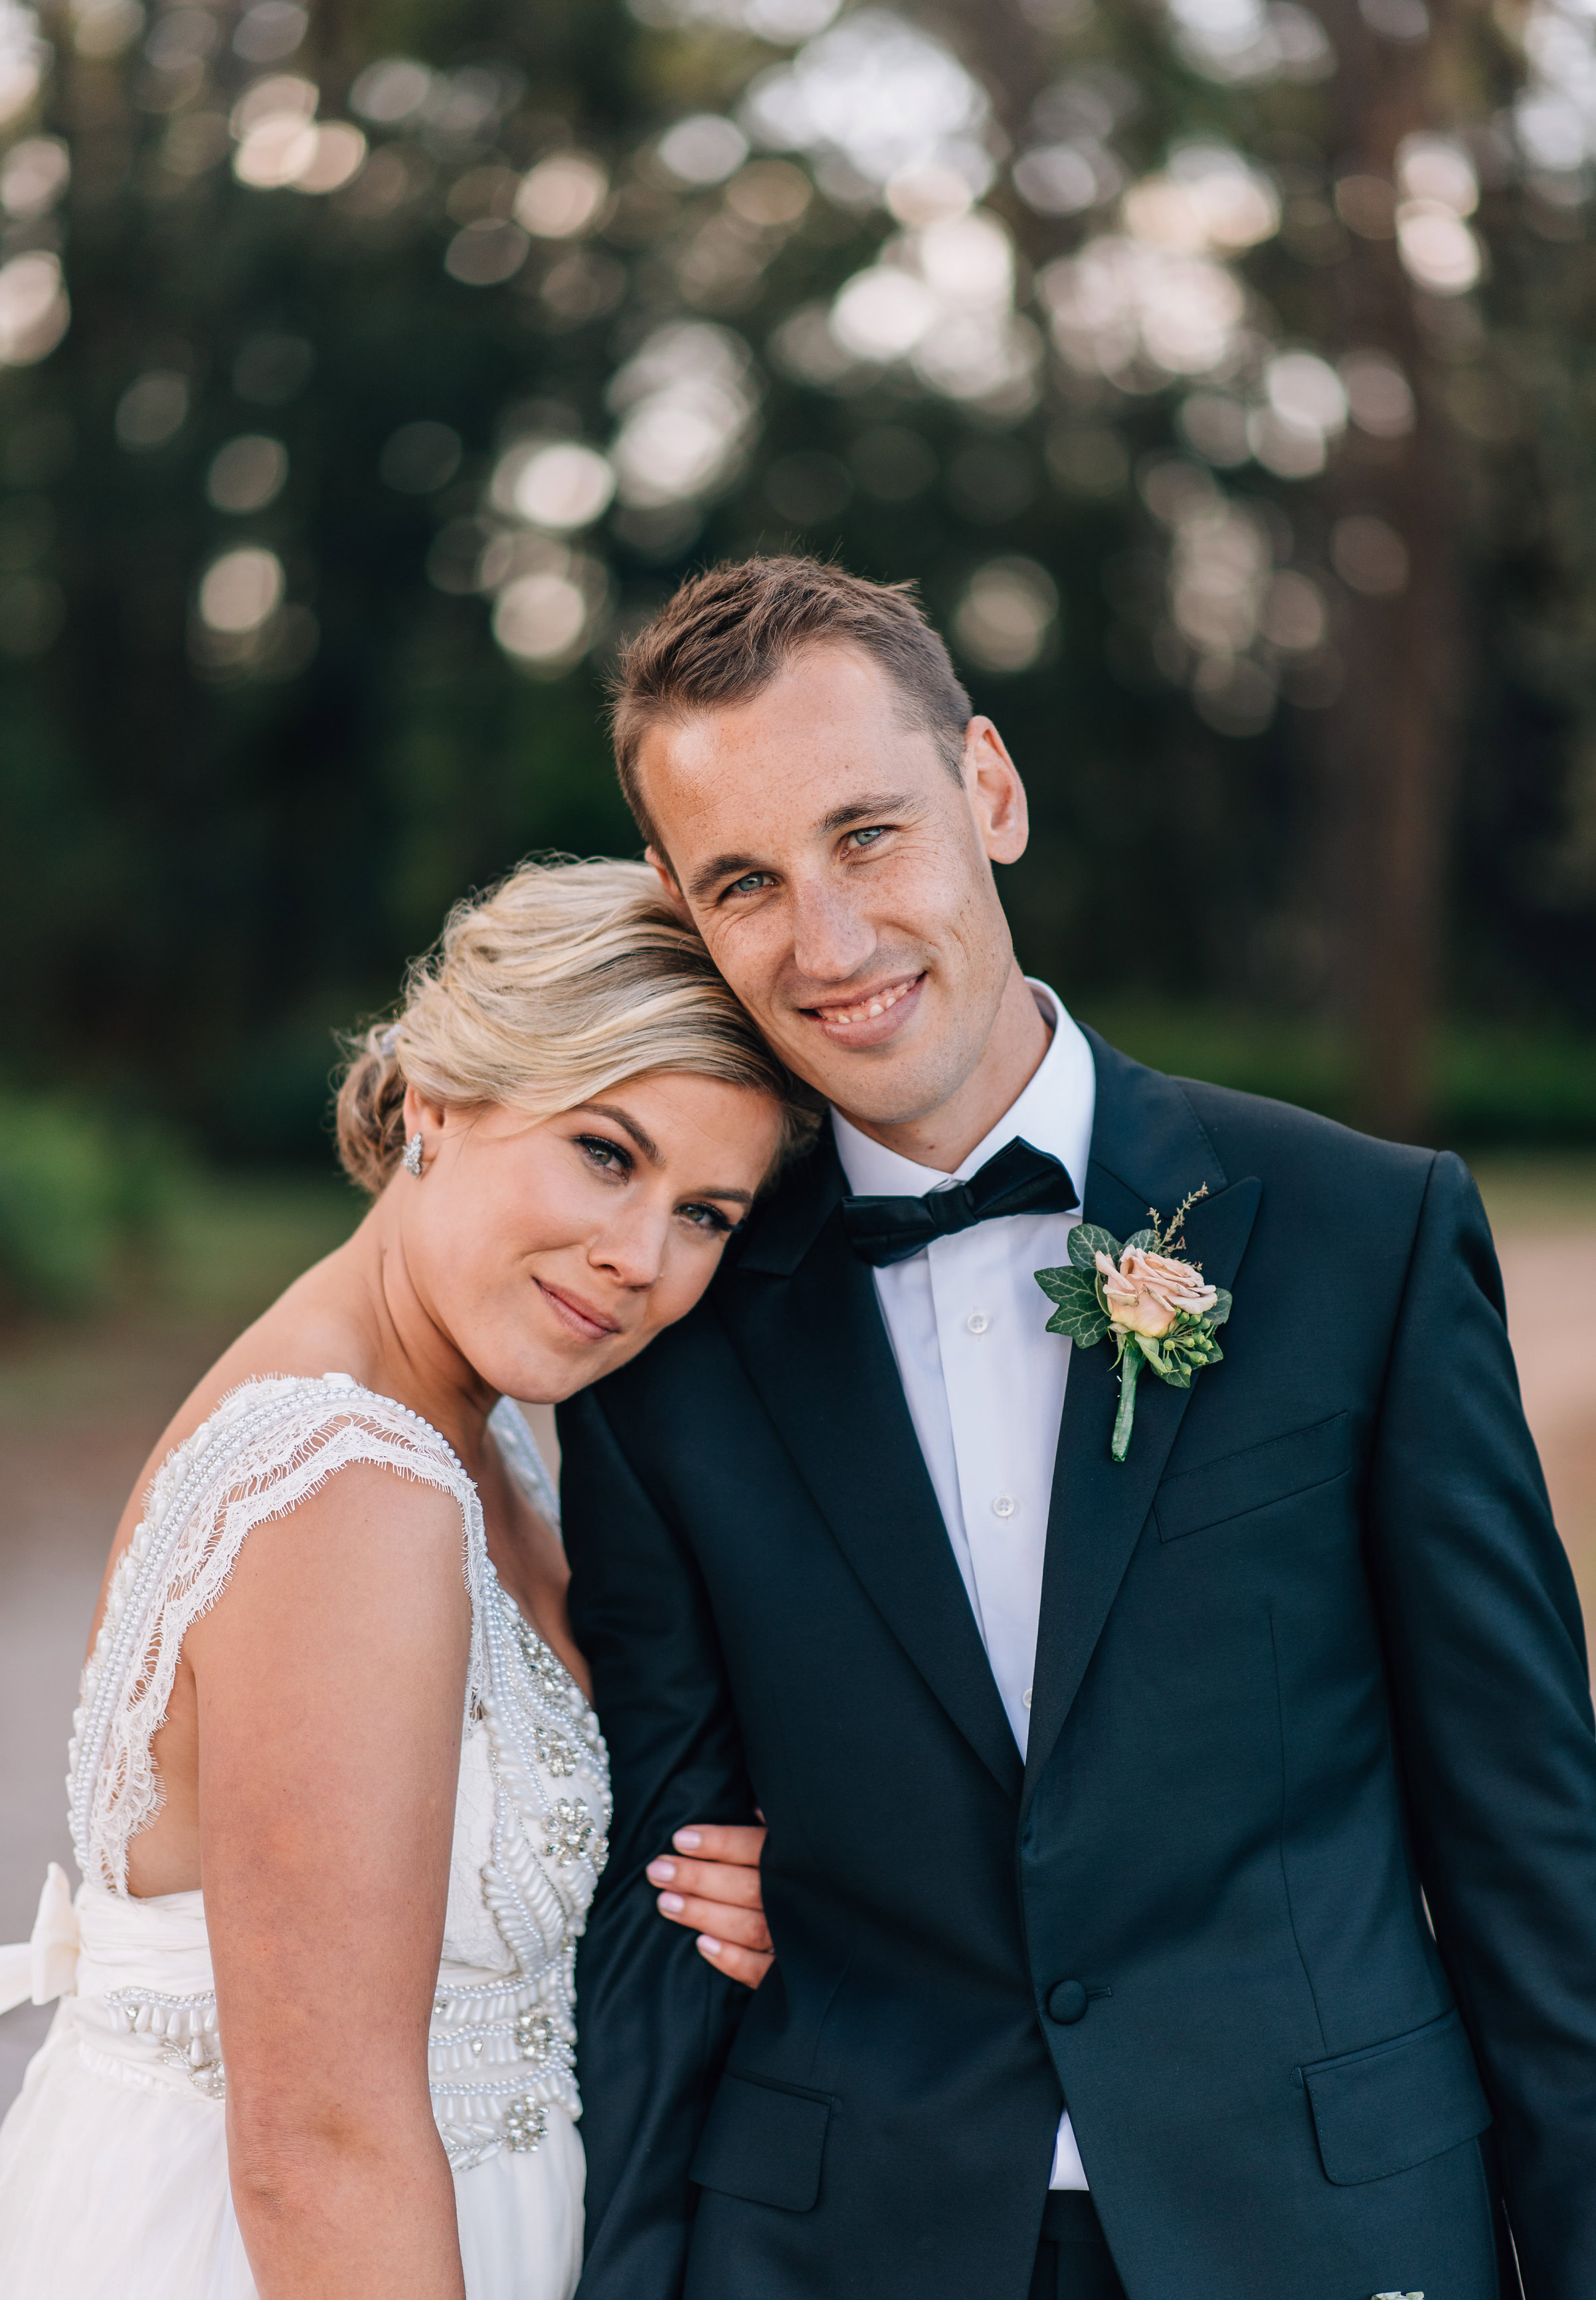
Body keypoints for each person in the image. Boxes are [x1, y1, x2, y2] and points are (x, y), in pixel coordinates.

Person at [559, 555, 1596, 2300]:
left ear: (989, 787)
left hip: (1325, 2229)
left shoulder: (1362, 1236)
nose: (829, 941)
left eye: (867, 834)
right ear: (680, 904)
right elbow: (663, 1910)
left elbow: (1525, 1850)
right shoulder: (667, 1335)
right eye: (747, 882)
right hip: (842, 2248)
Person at [0, 857, 808, 2300]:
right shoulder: (348, 1483)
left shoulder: (468, 1433)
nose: (639, 1260)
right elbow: (316, 2142)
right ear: (437, 1100)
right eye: (607, 1153)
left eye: (708, 1214)